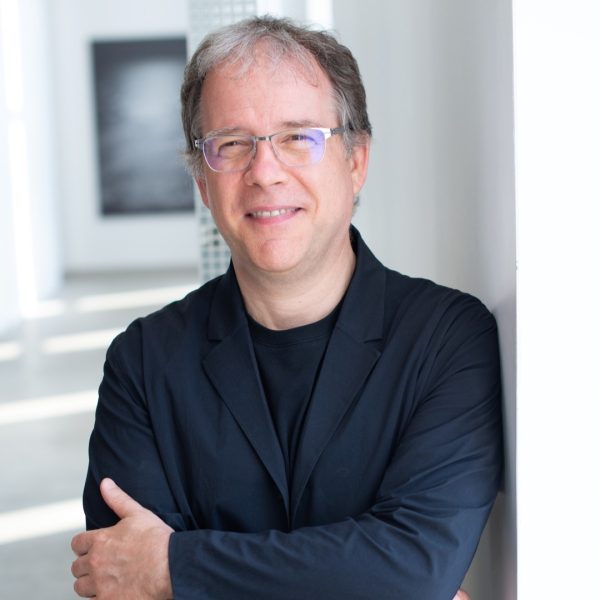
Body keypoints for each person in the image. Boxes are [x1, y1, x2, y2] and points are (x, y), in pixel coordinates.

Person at [71, 16, 502, 600]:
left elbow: (417, 567)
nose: (265, 173)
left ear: (356, 161)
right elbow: (121, 584)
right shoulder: (143, 362)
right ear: (203, 183)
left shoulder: (447, 340)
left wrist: (174, 568)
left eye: (298, 137)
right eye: (232, 144)